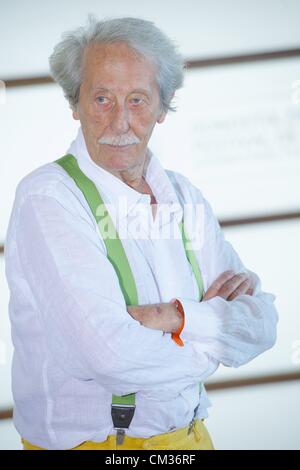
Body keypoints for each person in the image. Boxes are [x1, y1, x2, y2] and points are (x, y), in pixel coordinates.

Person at [4, 16, 278, 451]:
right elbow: (109, 356)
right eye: (101, 99)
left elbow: (263, 323)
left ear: (162, 108)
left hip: (192, 439)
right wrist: (214, 341)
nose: (119, 123)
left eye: (137, 100)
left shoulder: (184, 197)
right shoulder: (49, 199)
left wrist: (180, 319)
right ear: (74, 104)